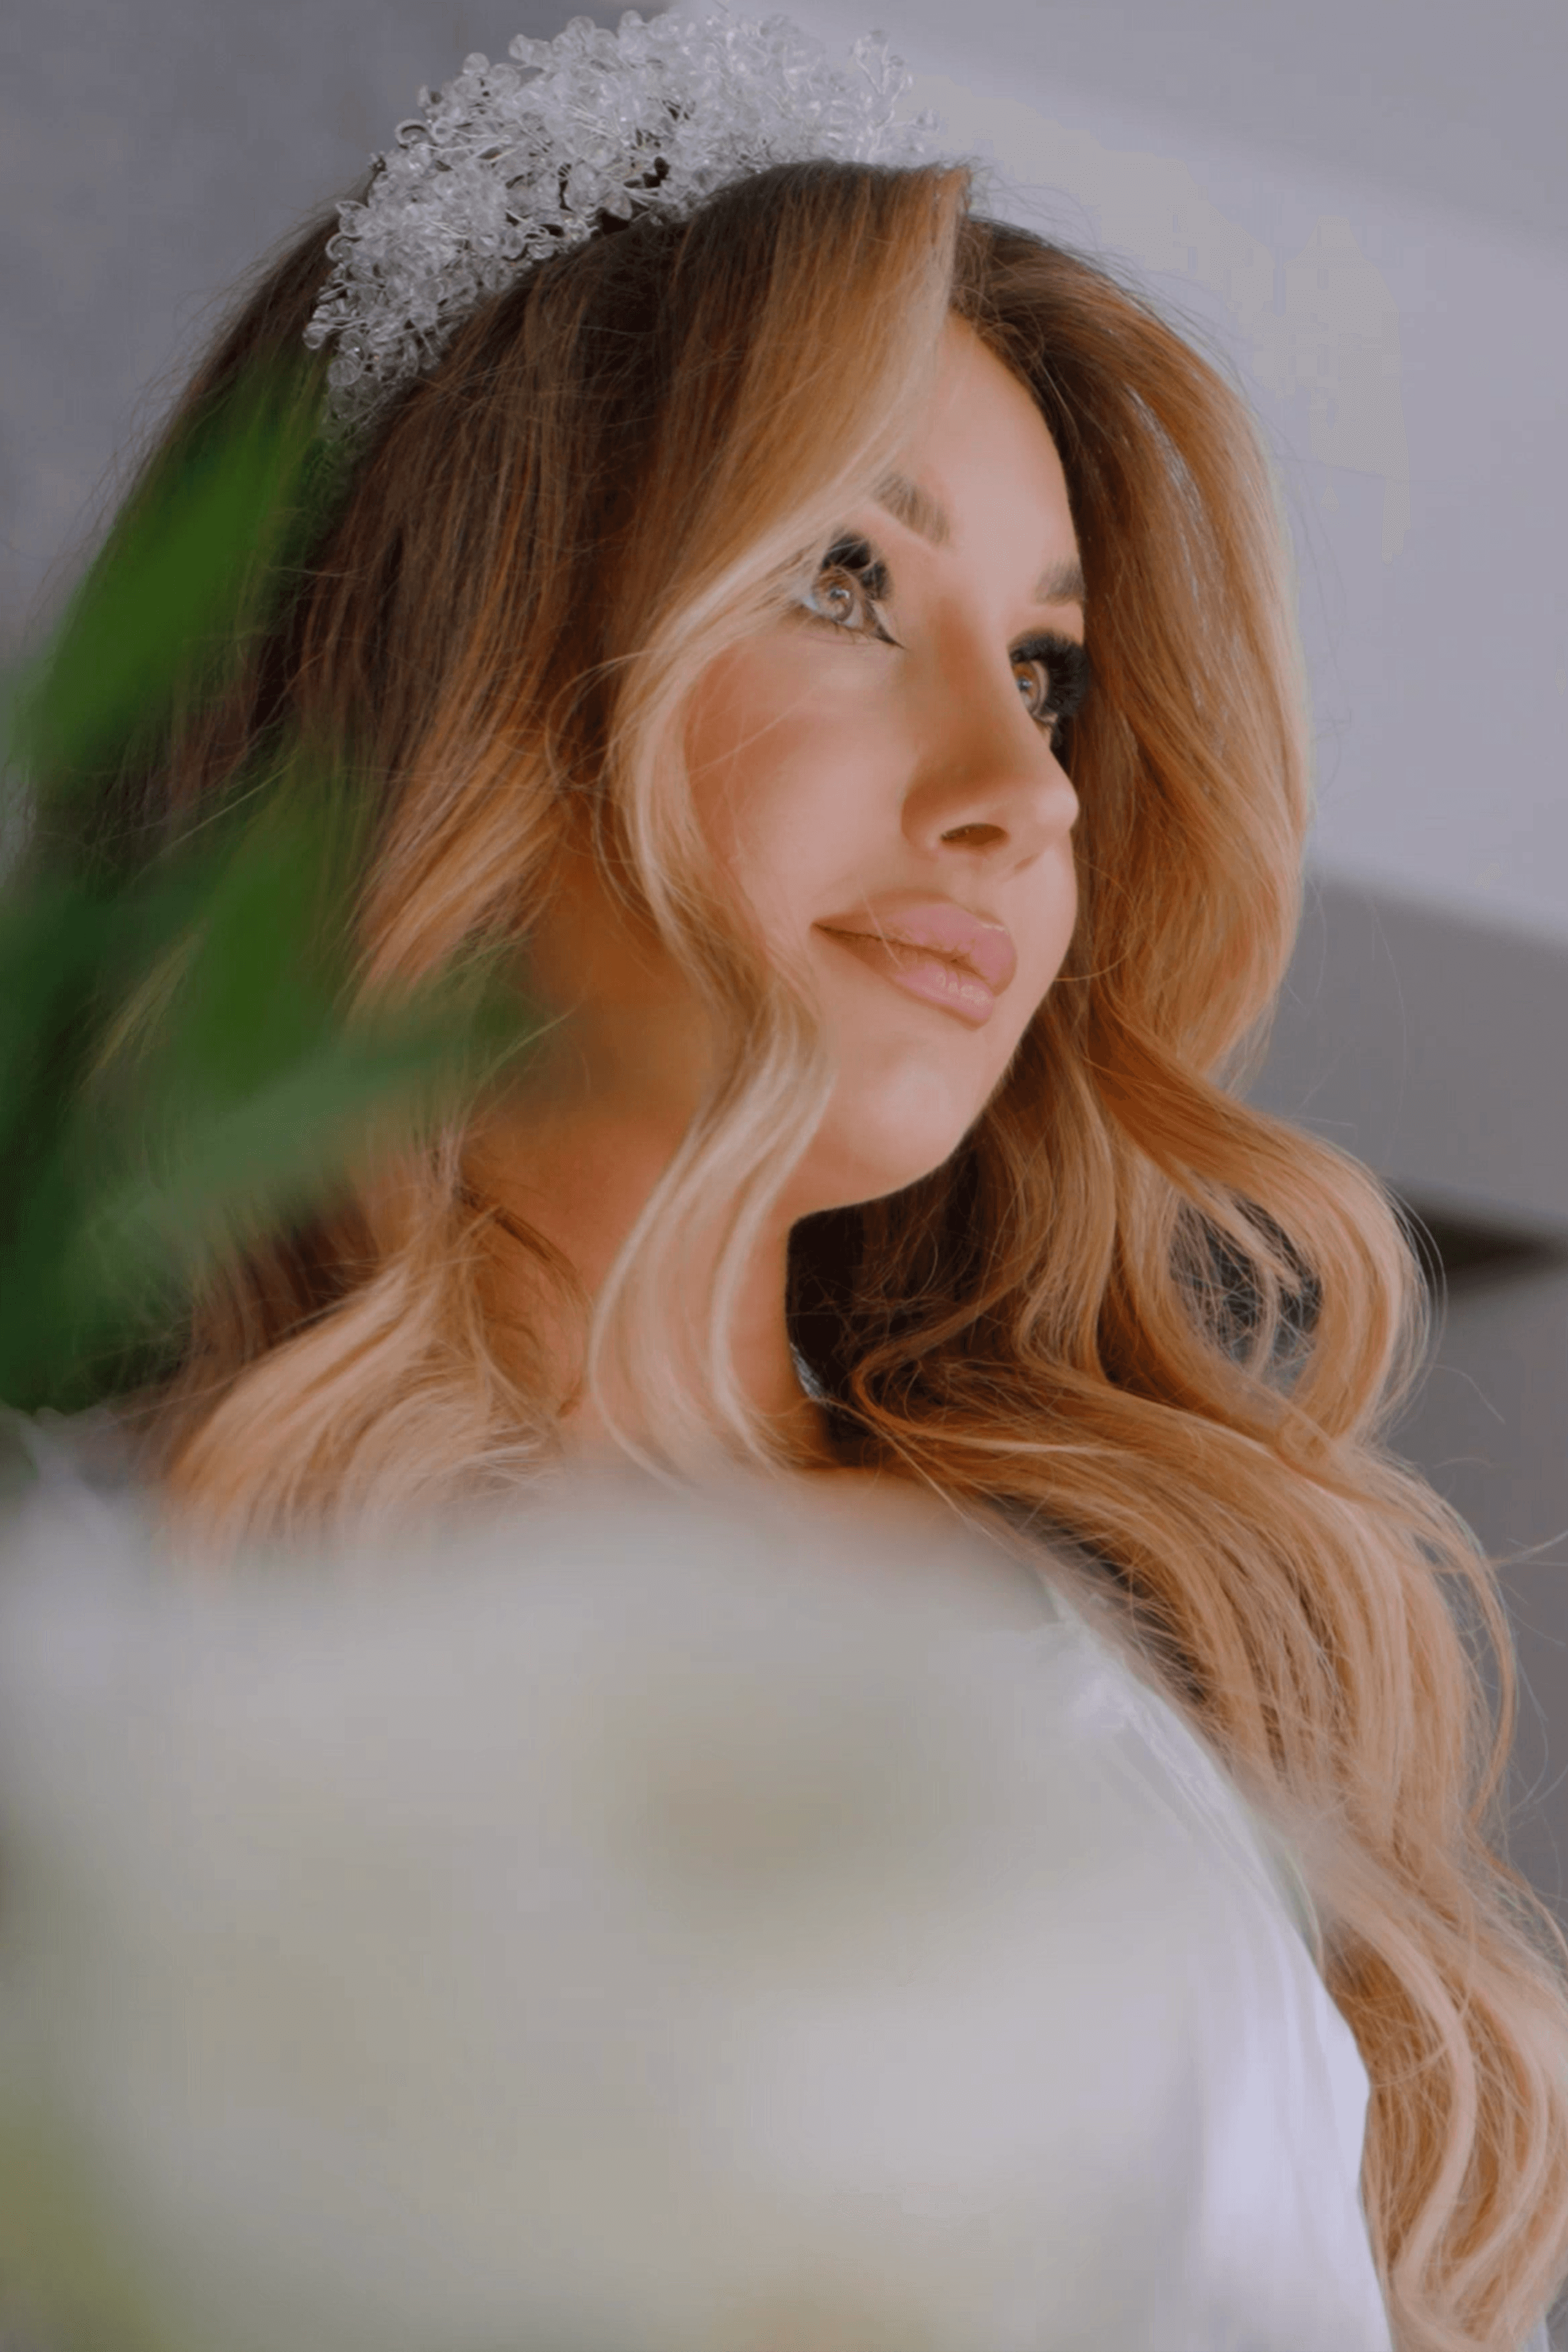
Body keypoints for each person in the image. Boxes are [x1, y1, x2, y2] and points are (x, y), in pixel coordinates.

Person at [3, 13, 1566, 2349]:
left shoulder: (1169, 1669)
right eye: (847, 580)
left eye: (1048, 670)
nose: (1023, 794)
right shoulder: (82, 1621)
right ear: (460, 663)